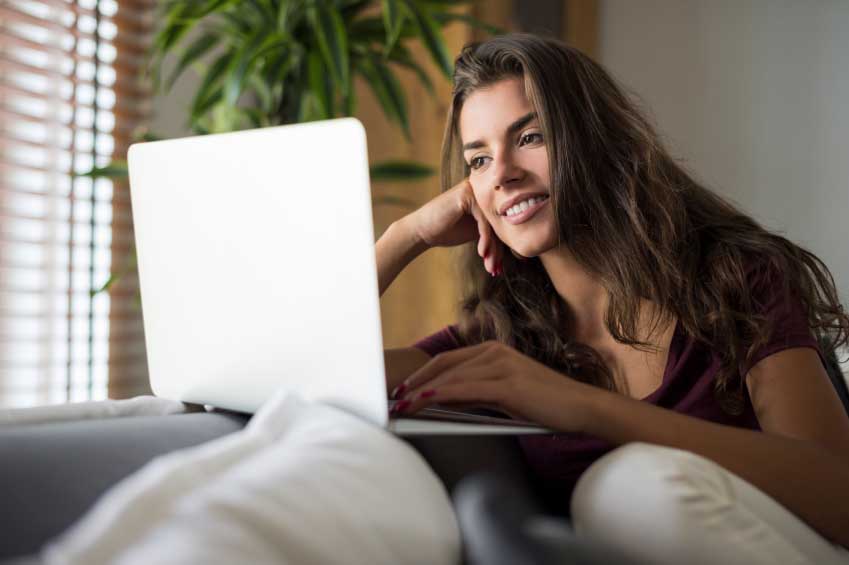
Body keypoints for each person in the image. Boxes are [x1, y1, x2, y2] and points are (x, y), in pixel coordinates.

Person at [375, 33, 849, 564]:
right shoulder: (504, 340)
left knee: (627, 489)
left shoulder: (734, 277)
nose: (503, 174)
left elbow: (839, 495)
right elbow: (294, 379)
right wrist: (406, 235)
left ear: (594, 140)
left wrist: (586, 408)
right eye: (479, 160)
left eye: (530, 137)